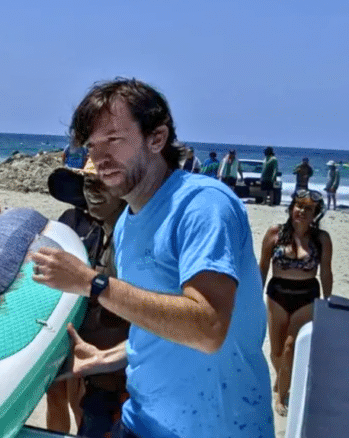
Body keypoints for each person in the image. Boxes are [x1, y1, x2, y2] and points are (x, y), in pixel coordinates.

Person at [32, 78, 274, 438]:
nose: (99, 158)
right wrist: (109, 357)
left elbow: (208, 328)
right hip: (141, 422)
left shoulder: (203, 205)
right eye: (92, 145)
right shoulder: (128, 224)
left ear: (156, 139)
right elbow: (157, 323)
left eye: (113, 139)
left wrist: (92, 283)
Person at [45, 159, 129, 436]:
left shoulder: (130, 238)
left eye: (104, 183)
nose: (95, 191)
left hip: (117, 372)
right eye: (90, 182)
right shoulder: (74, 223)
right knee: (66, 398)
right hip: (77, 341)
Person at [259, 189, 332, 416]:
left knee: (291, 347)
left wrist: (327, 303)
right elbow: (262, 267)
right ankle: (282, 377)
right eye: (298, 206)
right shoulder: (275, 234)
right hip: (277, 294)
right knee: (277, 351)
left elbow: (327, 273)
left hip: (307, 296)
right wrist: (254, 296)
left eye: (308, 209)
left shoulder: (321, 239)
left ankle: (281, 396)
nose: (301, 211)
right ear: (291, 208)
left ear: (315, 215)